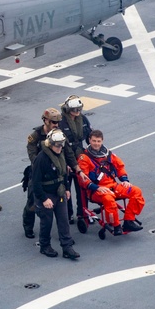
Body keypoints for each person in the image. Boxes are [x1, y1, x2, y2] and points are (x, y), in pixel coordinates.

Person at [77, 129, 145, 235]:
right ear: (89, 140)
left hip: (113, 186)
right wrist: (97, 188)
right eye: (94, 141)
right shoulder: (84, 158)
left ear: (102, 141)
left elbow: (119, 167)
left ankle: (128, 221)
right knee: (108, 199)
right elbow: (83, 179)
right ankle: (116, 225)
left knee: (136, 191)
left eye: (98, 141)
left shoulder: (108, 154)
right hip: (96, 190)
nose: (96, 143)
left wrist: (125, 180)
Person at [22, 107, 76, 238]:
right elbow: (33, 156)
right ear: (45, 120)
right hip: (39, 172)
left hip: (57, 172)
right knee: (32, 202)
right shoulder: (35, 136)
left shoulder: (59, 135)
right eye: (53, 122)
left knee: (63, 198)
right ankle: (28, 226)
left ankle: (65, 223)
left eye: (57, 123)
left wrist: (73, 166)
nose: (56, 125)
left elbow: (67, 151)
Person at [30, 129, 79, 259]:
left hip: (59, 192)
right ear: (50, 143)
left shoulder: (60, 154)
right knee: (47, 222)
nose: (60, 147)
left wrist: (67, 188)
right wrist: (44, 199)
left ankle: (67, 247)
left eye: (61, 144)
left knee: (64, 221)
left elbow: (63, 173)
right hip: (46, 194)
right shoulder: (41, 159)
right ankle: (45, 246)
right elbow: (35, 182)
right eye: (57, 145)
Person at [58, 95, 91, 223]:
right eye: (74, 110)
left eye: (79, 109)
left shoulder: (83, 119)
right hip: (65, 156)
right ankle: (68, 214)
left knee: (81, 187)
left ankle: (82, 213)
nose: (77, 112)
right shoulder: (61, 122)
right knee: (66, 187)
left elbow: (89, 136)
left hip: (80, 156)